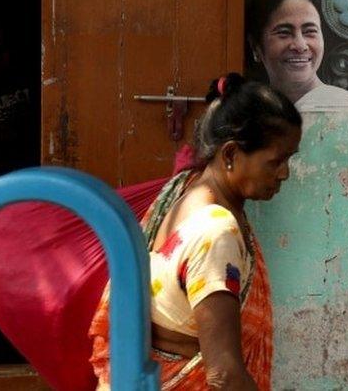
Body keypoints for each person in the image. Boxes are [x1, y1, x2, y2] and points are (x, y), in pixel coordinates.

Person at [89, 73, 302, 389]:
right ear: (230, 154)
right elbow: (224, 375)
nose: (284, 174)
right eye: (275, 162)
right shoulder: (216, 233)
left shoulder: (185, 191)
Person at [246, 0, 348, 111]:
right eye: (284, 33)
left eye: (309, 31)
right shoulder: (245, 117)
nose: (300, 46)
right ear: (255, 46)